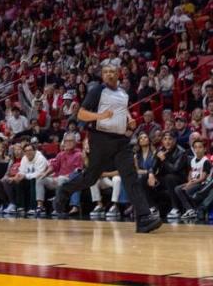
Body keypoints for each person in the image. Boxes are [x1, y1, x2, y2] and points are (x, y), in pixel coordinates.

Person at [54, 65, 161, 233]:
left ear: (118, 74)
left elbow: (122, 109)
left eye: (112, 71)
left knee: (130, 176)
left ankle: (143, 218)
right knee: (90, 178)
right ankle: (64, 189)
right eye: (106, 72)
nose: (109, 74)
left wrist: (129, 119)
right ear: (103, 76)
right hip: (100, 139)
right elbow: (81, 114)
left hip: (120, 140)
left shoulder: (123, 93)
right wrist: (100, 116)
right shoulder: (97, 91)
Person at [171, 139, 210, 221]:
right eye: (195, 147)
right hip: (193, 182)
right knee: (177, 189)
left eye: (200, 147)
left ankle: (195, 209)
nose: (197, 149)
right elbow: (190, 172)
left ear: (204, 149)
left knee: (186, 190)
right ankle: (190, 209)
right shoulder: (192, 160)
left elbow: (203, 178)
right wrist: (189, 182)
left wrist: (191, 184)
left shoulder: (206, 161)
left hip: (202, 184)